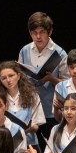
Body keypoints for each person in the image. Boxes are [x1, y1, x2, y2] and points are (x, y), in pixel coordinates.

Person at [18, 11, 69, 144]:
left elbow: (67, 83)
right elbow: (19, 78)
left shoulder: (60, 53)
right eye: (34, 33)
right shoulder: (24, 51)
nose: (38, 36)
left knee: (50, 148)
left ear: (50, 32)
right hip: (29, 109)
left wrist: (52, 79)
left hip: (51, 111)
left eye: (42, 32)